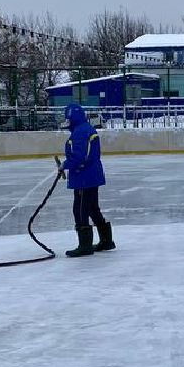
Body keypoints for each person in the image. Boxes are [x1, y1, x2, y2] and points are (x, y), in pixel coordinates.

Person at [58, 103, 114, 257]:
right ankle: (106, 240)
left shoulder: (80, 132)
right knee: (92, 208)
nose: (66, 120)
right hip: (90, 176)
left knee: (80, 209)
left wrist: (65, 164)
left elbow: (80, 156)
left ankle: (85, 245)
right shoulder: (84, 129)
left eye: (68, 117)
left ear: (73, 117)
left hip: (85, 177)